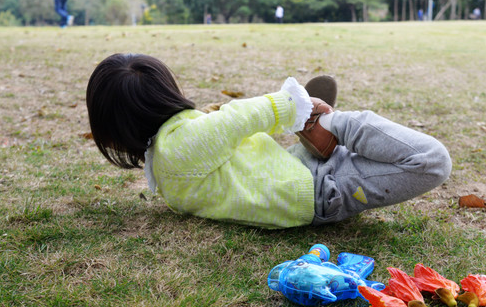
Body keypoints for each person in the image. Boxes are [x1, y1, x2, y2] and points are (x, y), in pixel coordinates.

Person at [86, 54, 451, 229]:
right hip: (321, 190)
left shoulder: (167, 157)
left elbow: (222, 134)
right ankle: (329, 123)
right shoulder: (178, 148)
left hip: (292, 168)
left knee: (368, 154)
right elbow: (238, 119)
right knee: (431, 160)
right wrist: (290, 104)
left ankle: (321, 133)